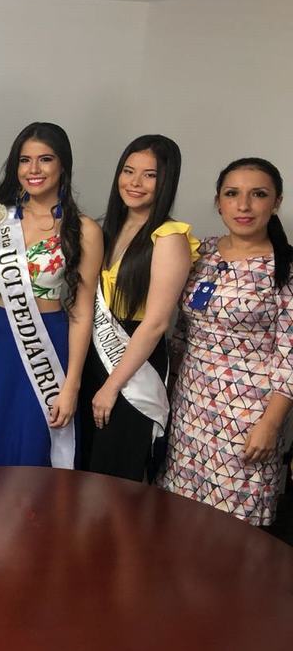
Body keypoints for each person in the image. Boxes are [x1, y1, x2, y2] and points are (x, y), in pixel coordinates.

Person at [158, 158, 293, 526]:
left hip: (247, 419)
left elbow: (290, 355)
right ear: (219, 202)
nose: (244, 206)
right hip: (190, 410)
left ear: (276, 202)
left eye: (258, 195)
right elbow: (183, 330)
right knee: (180, 517)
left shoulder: (285, 268)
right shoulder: (203, 252)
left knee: (232, 533)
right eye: (232, 194)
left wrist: (271, 424)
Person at [0, 122, 102, 468]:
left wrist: (72, 384)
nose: (33, 170)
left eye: (45, 159)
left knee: (35, 444)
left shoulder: (84, 230)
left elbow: (81, 311)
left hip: (46, 343)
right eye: (24, 160)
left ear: (63, 165)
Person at [78, 136, 198, 481]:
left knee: (117, 473)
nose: (135, 182)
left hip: (132, 365)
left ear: (166, 181)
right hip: (96, 357)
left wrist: (112, 386)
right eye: (129, 171)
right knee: (89, 465)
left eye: (149, 175)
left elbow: (157, 323)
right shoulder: (111, 227)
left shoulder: (168, 237)